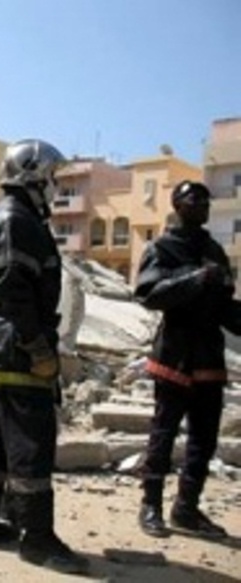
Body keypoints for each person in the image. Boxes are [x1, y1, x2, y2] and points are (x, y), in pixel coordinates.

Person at [0, 139, 90, 575]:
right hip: (20, 346)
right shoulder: (18, 221)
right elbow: (13, 289)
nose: (55, 188)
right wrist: (37, 349)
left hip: (1, 342)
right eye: (51, 179)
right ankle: (36, 538)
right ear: (33, 178)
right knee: (32, 441)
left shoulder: (11, 216)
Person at [134, 180, 241, 539]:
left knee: (204, 440)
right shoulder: (162, 247)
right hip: (175, 355)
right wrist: (197, 279)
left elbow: (226, 306)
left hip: (210, 355)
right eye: (194, 199)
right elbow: (149, 294)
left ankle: (187, 508)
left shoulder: (214, 249)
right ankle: (150, 505)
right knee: (163, 434)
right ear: (178, 205)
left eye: (206, 201)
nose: (203, 205)